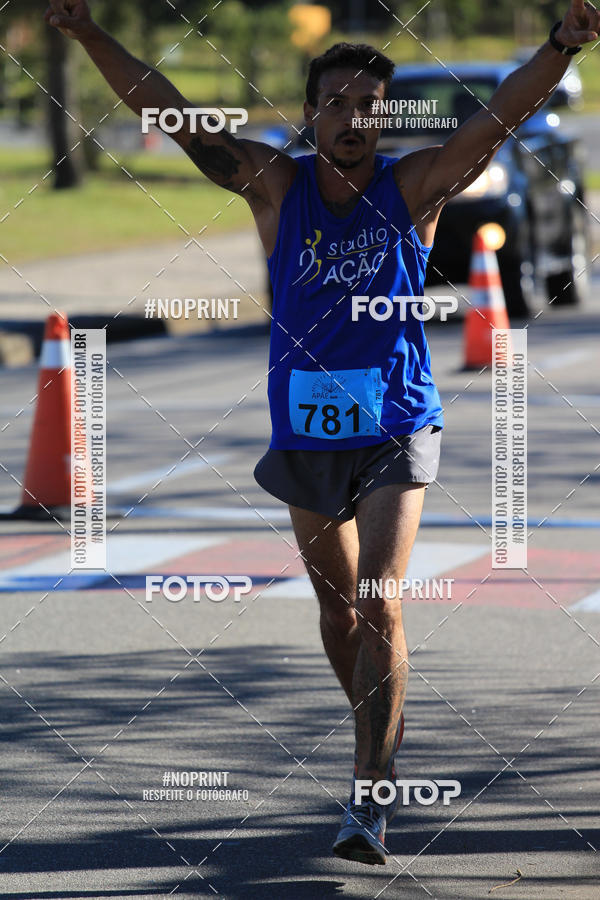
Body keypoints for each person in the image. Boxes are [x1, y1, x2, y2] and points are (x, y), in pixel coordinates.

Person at [46, 0, 599, 866]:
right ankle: (380, 719)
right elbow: (167, 108)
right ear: (310, 114)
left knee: (379, 597)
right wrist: (85, 34)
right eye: (336, 102)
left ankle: (369, 796)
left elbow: (499, 116)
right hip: (305, 432)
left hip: (396, 421)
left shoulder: (413, 185)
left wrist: (560, 45)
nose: (353, 118)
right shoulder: (275, 184)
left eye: (369, 105)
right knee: (339, 612)